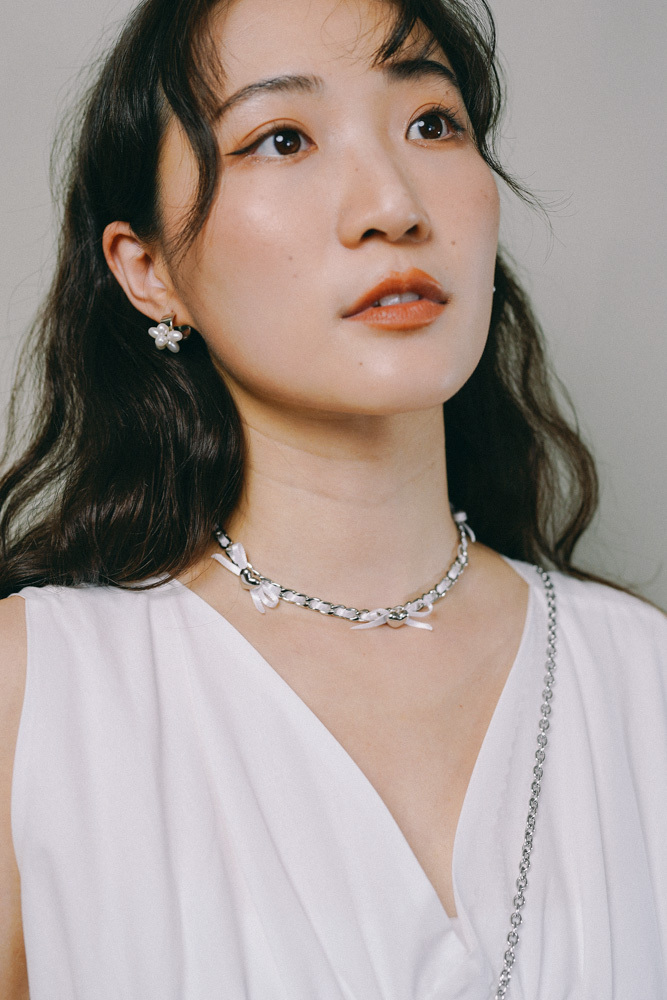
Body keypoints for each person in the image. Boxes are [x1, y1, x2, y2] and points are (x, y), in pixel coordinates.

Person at [0, 0, 665, 997]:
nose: (392, 204)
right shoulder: (36, 697)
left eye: (431, 123)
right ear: (148, 271)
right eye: (282, 139)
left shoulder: (642, 683)